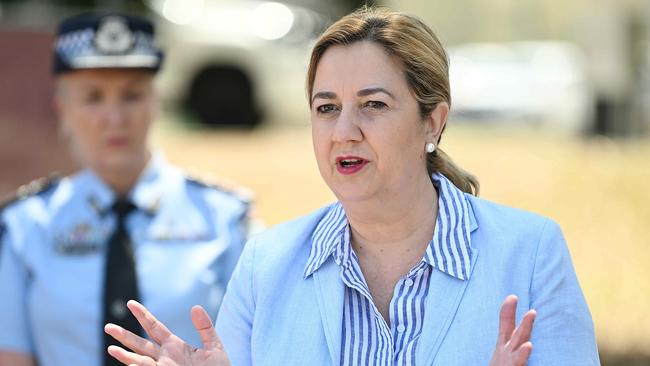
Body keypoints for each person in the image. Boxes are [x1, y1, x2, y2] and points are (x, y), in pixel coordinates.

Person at [104, 7, 600, 366]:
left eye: (374, 104)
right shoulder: (266, 263)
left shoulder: (530, 252)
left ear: (433, 122)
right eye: (326, 108)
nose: (344, 130)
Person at [0, 11, 252, 366]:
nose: (115, 117)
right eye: (93, 97)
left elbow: (258, 348)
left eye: (132, 95)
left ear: (156, 101)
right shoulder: (25, 227)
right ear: (62, 108)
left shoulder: (224, 218)